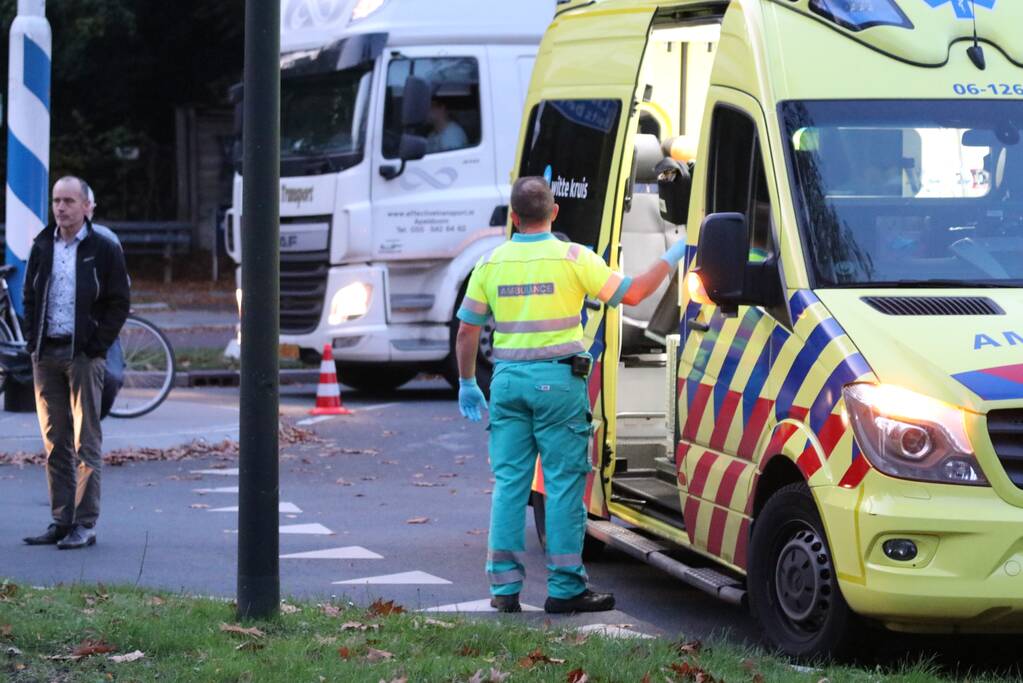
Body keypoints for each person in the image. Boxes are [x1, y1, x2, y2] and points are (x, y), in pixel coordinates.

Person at [454, 176, 687, 613]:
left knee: (509, 484)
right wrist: (674, 254)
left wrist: (468, 381)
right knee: (562, 486)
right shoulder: (574, 258)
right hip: (559, 385)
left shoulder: (491, 263)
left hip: (507, 383)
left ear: (513, 217)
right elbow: (633, 293)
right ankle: (565, 590)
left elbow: (468, 332)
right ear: (554, 212)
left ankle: (504, 590)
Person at [21, 176, 130, 550]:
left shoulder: (103, 247)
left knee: (86, 442)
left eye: (69, 200)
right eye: (56, 201)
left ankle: (85, 523)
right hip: (46, 354)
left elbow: (119, 301)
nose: (61, 208)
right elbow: (30, 294)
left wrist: (97, 345)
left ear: (88, 207)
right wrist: (32, 340)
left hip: (83, 356)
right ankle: (61, 520)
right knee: (55, 441)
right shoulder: (42, 244)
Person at [84, 184, 127, 418]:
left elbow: (122, 285)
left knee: (112, 378)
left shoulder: (107, 239)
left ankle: (90, 423)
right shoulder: (49, 242)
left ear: (91, 207)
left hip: (100, 324)